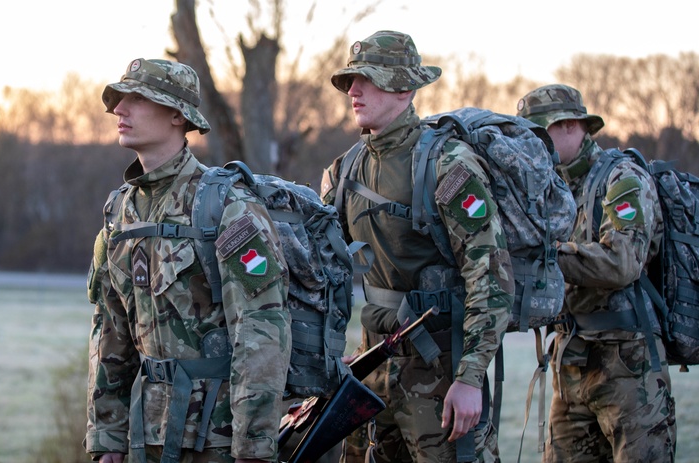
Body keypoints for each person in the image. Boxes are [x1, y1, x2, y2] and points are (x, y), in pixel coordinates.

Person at [84, 57, 292, 463]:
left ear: (178, 115)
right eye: (118, 100)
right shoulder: (118, 213)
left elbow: (262, 329)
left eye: (136, 100)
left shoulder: (226, 204)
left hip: (216, 437)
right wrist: (107, 437)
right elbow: (109, 330)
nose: (119, 110)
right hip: (144, 435)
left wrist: (252, 447)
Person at [319, 30, 511, 462]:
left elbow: (492, 278)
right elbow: (324, 273)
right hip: (374, 369)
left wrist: (469, 378)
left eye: (367, 79)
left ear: (404, 88)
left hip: (441, 371)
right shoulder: (345, 170)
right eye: (351, 80)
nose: (353, 90)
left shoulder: (449, 165)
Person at [516, 84, 677, 462]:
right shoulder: (550, 189)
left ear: (572, 126)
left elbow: (622, 262)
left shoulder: (622, 179)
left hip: (627, 367)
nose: (531, 148)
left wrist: (546, 257)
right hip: (570, 364)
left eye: (538, 135)